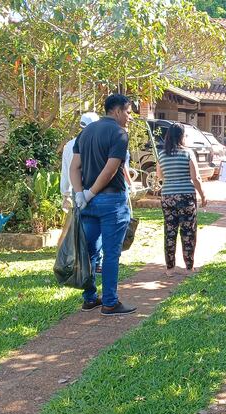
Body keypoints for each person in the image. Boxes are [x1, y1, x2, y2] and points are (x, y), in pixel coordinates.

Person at [71, 93, 135, 316]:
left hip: (88, 204)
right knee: (111, 253)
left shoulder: (85, 132)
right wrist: (89, 193)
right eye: (127, 112)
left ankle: (89, 298)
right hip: (111, 201)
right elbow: (111, 169)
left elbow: (74, 168)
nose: (129, 117)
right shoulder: (119, 133)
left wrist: (81, 194)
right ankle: (109, 302)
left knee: (89, 251)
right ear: (116, 111)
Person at [156, 123, 208, 276]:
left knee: (170, 231)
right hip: (186, 196)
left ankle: (170, 269)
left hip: (167, 196)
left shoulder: (162, 154)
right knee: (188, 231)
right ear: (181, 136)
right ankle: (189, 267)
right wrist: (203, 194)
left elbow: (160, 176)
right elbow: (195, 177)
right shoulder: (188, 153)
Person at [60, 112, 100, 249]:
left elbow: (66, 171)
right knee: (96, 224)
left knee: (82, 224)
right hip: (95, 188)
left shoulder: (69, 145)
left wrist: (65, 193)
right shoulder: (98, 143)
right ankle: (93, 256)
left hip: (76, 190)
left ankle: (82, 253)